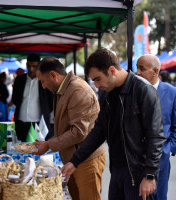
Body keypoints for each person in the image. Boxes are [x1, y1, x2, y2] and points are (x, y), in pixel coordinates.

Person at [61, 48, 165, 200]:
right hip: (116, 170)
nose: (96, 85)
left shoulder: (143, 90)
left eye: (97, 79)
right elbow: (99, 131)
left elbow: (155, 136)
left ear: (112, 70)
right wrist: (75, 161)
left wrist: (149, 175)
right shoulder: (106, 93)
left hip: (138, 172)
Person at [34, 57, 106, 200]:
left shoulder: (77, 90)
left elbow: (78, 132)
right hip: (74, 159)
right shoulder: (64, 90)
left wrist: (49, 144)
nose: (43, 86)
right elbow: (66, 129)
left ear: (54, 75)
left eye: (43, 81)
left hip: (86, 159)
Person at [136, 55, 176, 200]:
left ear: (155, 71)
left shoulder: (173, 93)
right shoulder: (132, 91)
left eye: (142, 69)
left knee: (158, 197)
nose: (137, 72)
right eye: (137, 68)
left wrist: (168, 151)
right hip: (135, 160)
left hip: (160, 161)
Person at [12, 54, 53, 141]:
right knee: (20, 149)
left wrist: (46, 113)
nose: (31, 69)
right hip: (21, 123)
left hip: (39, 124)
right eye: (29, 66)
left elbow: (51, 101)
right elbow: (15, 99)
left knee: (39, 151)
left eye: (34, 66)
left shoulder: (45, 80)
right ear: (26, 64)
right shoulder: (19, 80)